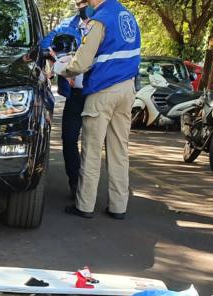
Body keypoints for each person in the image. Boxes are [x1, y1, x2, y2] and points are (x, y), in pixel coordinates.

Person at [58, 0, 140, 220]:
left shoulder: (100, 20)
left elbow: (81, 61)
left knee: (92, 149)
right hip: (127, 88)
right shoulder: (127, 17)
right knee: (119, 150)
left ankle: (84, 205)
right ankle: (118, 206)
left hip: (103, 89)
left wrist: (63, 69)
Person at [42, 2, 90, 196]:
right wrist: (57, 61)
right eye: (79, 2)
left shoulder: (106, 23)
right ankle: (75, 183)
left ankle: (89, 189)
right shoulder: (66, 26)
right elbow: (45, 45)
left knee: (93, 141)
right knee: (69, 139)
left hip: (98, 92)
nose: (82, 5)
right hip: (74, 95)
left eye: (85, 1)